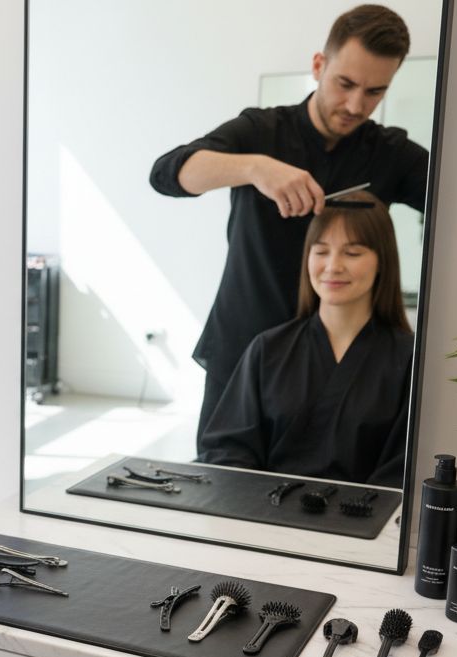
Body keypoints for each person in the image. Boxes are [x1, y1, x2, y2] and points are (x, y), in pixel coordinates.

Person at [148, 4, 427, 443]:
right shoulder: (261, 132)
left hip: (338, 368)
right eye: (345, 84)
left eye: (375, 91)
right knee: (224, 492)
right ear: (319, 65)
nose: (357, 105)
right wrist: (254, 169)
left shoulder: (390, 153)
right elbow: (167, 174)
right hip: (242, 353)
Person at [197, 192, 413, 487]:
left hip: (363, 524)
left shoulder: (408, 358)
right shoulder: (268, 348)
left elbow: (403, 468)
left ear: (382, 261)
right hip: (266, 515)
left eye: (352, 253)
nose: (333, 266)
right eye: (321, 251)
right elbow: (228, 449)